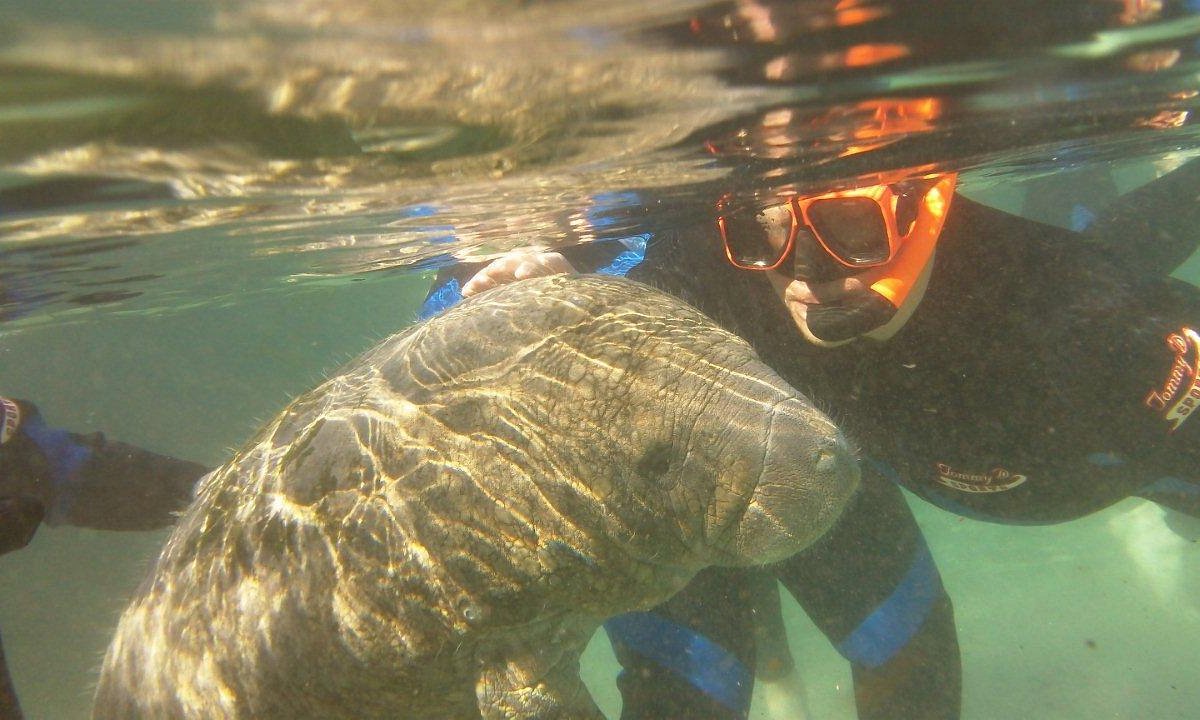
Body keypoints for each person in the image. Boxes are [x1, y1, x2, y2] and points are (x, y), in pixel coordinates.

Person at [420, 157, 1200, 719]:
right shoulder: (720, 270)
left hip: (1099, 453)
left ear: (924, 198)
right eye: (760, 234)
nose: (801, 274)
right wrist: (557, 283)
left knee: (1115, 244)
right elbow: (629, 301)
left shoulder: (1091, 331)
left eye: (850, 226)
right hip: (958, 452)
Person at [0, 396, 207, 720]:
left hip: (43, 462)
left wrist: (206, 489)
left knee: (208, 494)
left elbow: (64, 468)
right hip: (40, 463)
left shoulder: (31, 455)